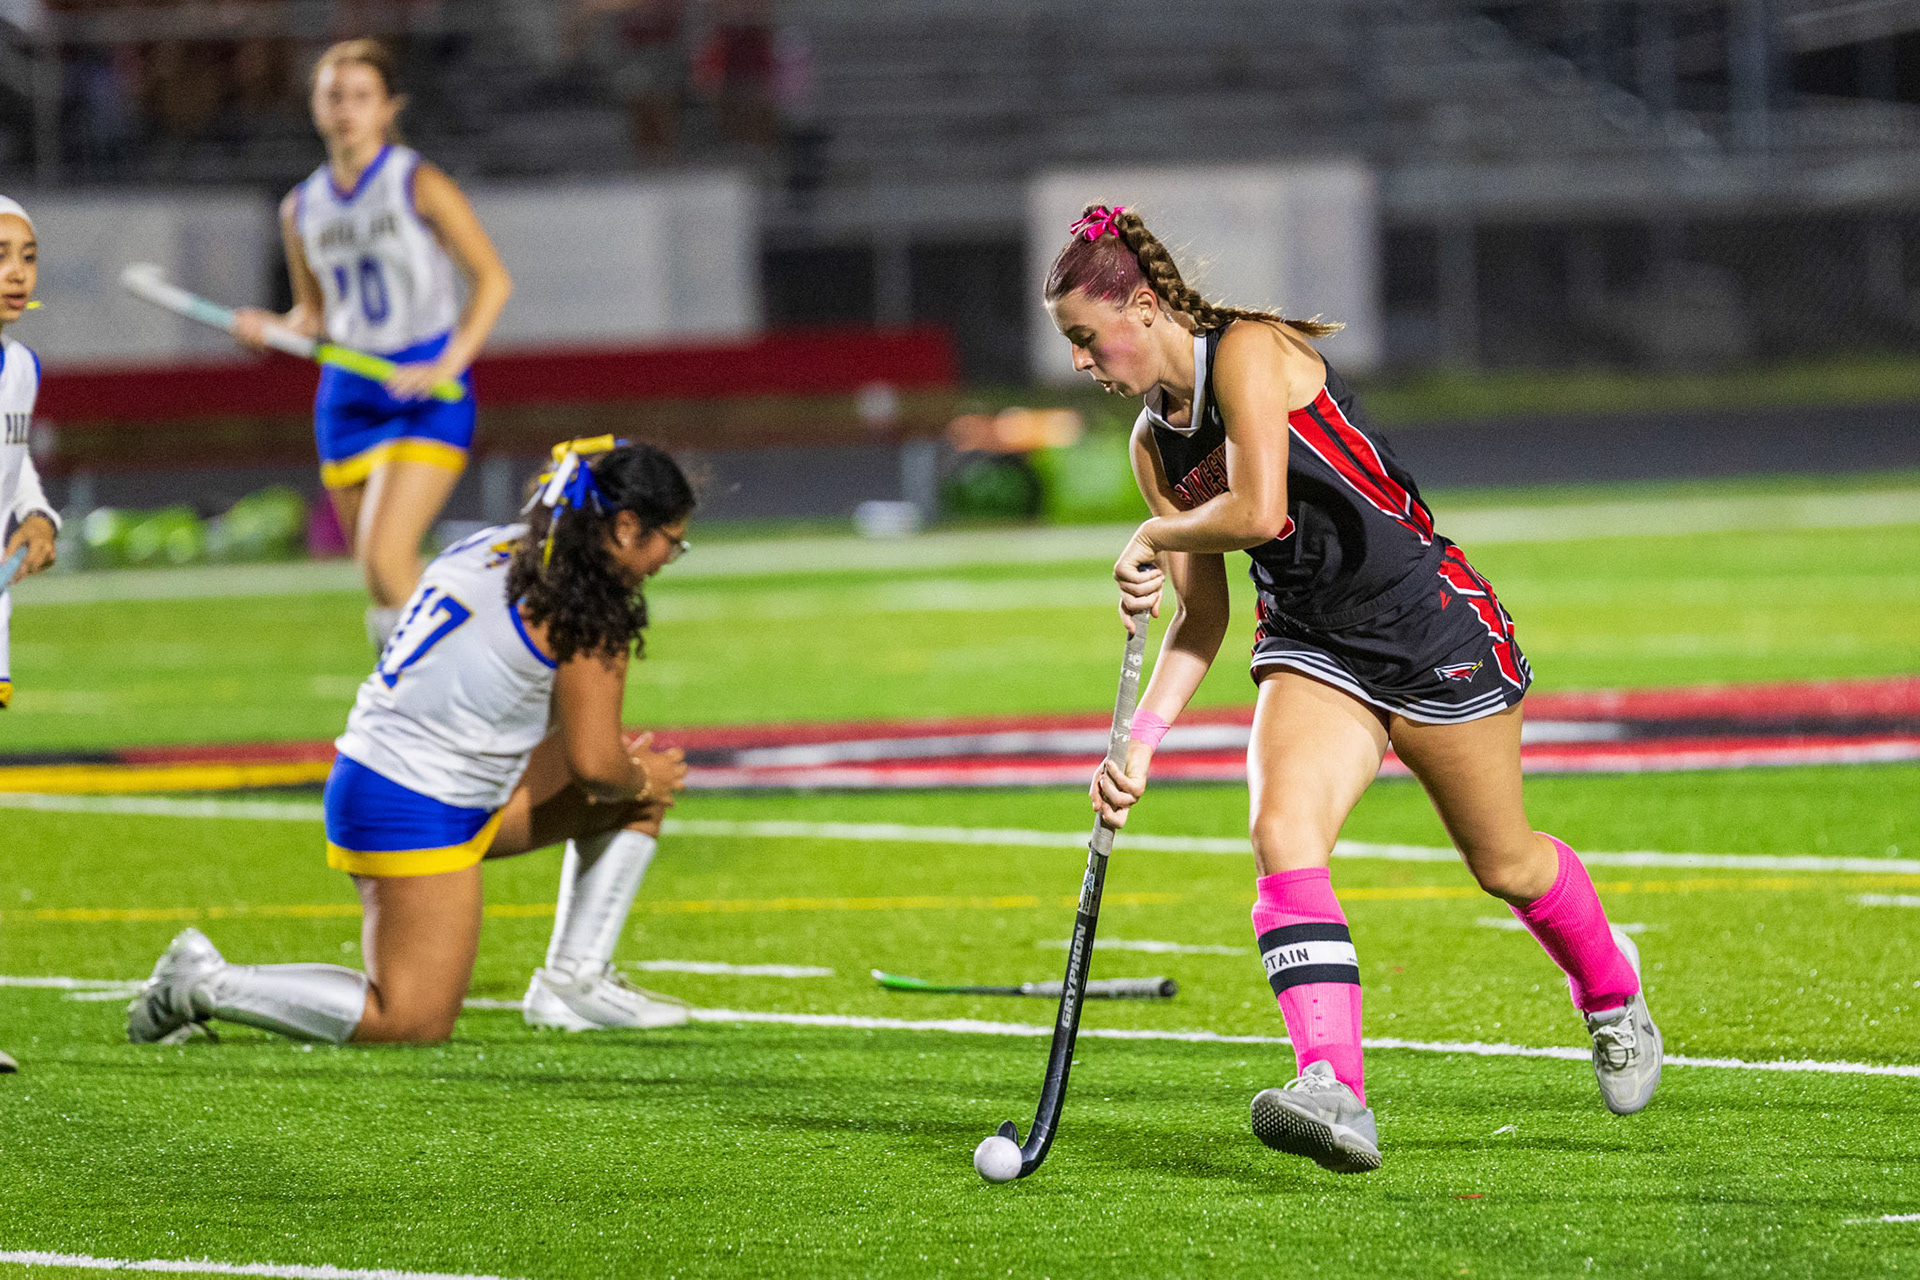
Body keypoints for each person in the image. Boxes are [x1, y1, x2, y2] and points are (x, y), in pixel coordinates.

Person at [1046, 205, 1661, 1175]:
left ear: (1147, 307)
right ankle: (1333, 1087)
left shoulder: (1248, 351)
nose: (1081, 362)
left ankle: (1612, 989)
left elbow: (1259, 509)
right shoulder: (1152, 445)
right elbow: (1202, 616)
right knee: (1282, 834)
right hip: (1313, 644)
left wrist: (1155, 534)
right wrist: (1140, 742)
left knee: (1507, 864)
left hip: (1427, 624)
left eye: (1087, 336)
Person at [128, 438, 696, 1046]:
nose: (671, 557)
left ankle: (573, 982)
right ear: (626, 528)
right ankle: (202, 983)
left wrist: (630, 775)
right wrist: (642, 777)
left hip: (393, 775)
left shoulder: (495, 545)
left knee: (632, 784)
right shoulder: (585, 606)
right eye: (672, 541)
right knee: (410, 1020)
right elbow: (595, 765)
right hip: (412, 800)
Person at [234, 38, 512, 649]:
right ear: (314, 107)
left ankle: (455, 680)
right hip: (347, 399)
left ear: (389, 108)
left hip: (423, 389)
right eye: (334, 96)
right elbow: (313, 317)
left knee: (387, 561)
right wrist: (267, 329)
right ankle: (447, 678)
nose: (346, 110)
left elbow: (492, 281)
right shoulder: (300, 207)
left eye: (362, 97)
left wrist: (448, 364)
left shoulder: (417, 182)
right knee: (382, 577)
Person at [0, 194, 60, 711]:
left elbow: (11, 458)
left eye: (28, 256)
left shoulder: (22, 368)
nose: (17, 273)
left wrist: (38, 516)